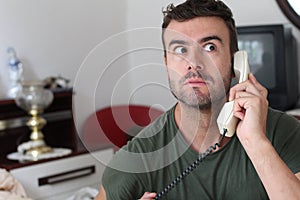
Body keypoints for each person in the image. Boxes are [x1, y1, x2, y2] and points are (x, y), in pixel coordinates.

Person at [95, 0, 300, 199]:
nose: (193, 63)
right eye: (180, 50)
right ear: (166, 63)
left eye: (209, 47)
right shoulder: (139, 157)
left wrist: (255, 141)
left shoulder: (285, 132)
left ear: (236, 63)